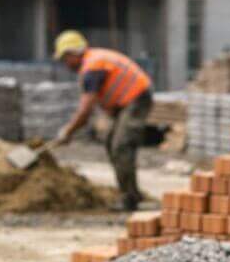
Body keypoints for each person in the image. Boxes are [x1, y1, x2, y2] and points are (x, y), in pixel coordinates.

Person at [51, 30, 153, 212]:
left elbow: (86, 109)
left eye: (65, 58)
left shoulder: (93, 67)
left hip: (136, 98)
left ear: (73, 53)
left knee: (121, 145)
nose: (65, 64)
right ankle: (130, 193)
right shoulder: (92, 62)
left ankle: (129, 199)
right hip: (125, 103)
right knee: (111, 142)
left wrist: (68, 131)